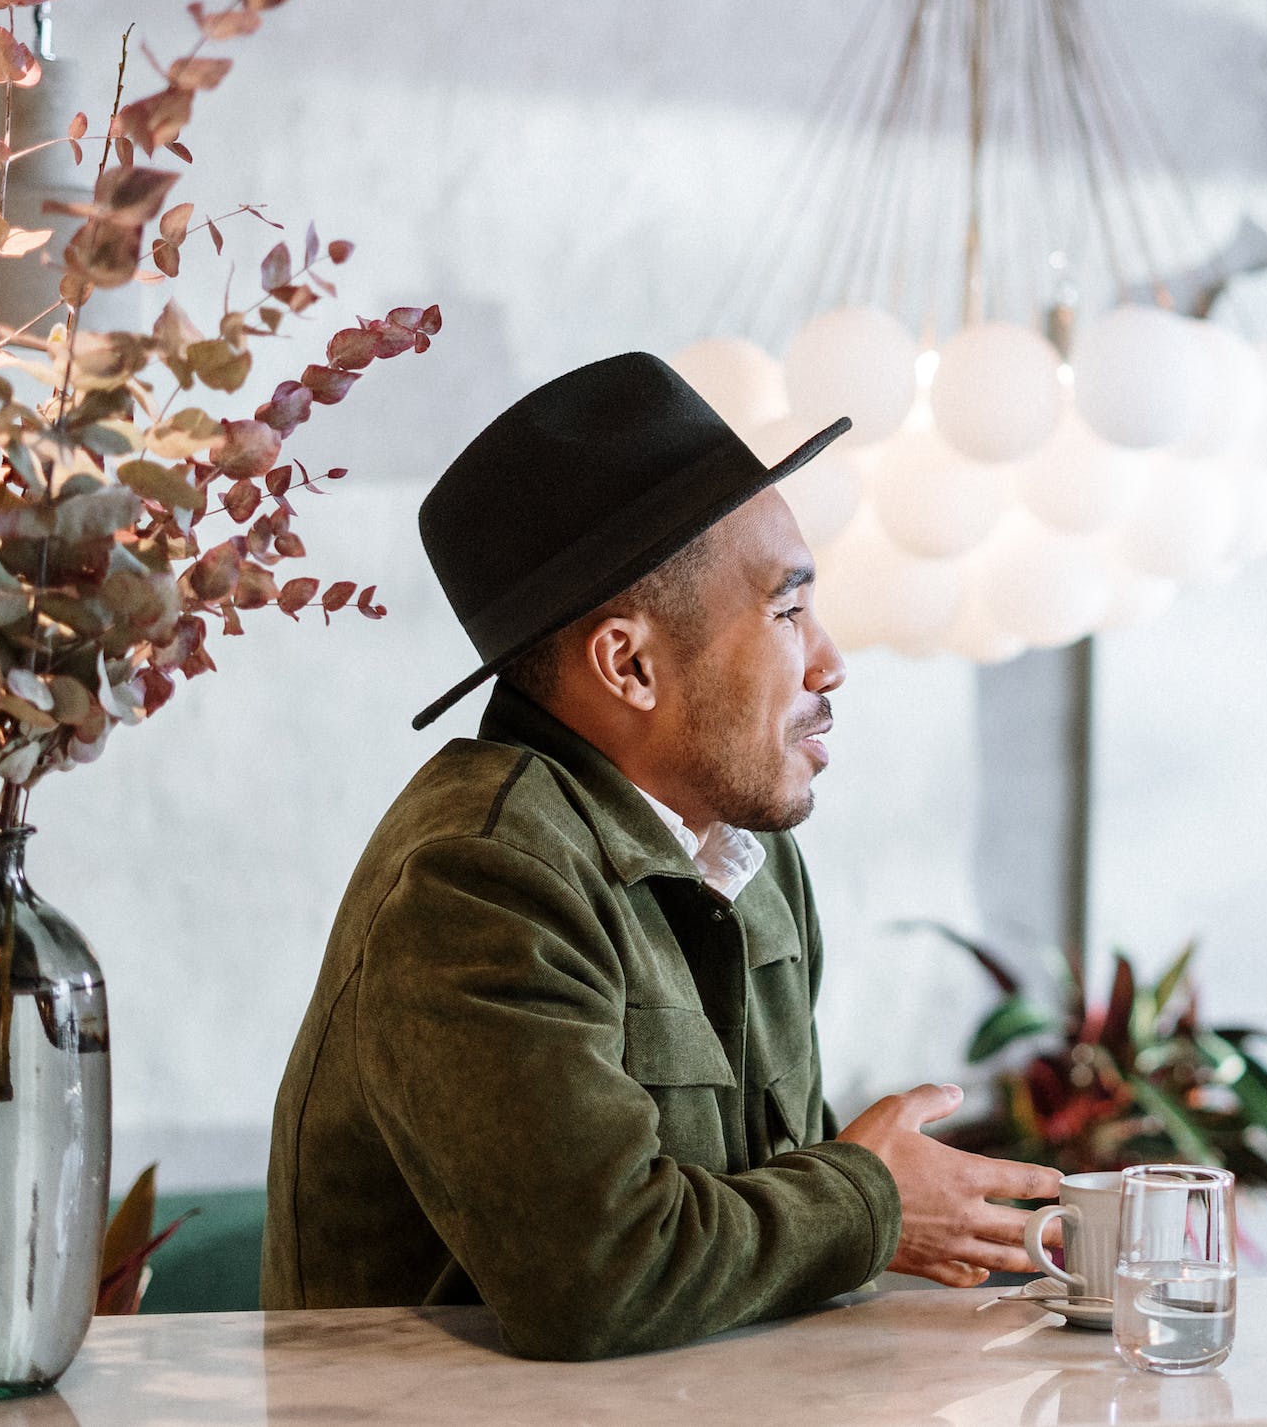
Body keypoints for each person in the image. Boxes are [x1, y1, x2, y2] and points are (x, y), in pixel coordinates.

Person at [261, 354, 1061, 1359]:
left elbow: (761, 1223)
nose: (830, 660)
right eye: (786, 610)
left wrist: (886, 1213)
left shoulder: (749, 858)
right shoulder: (479, 880)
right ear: (629, 664)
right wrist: (870, 1200)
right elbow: (599, 1277)